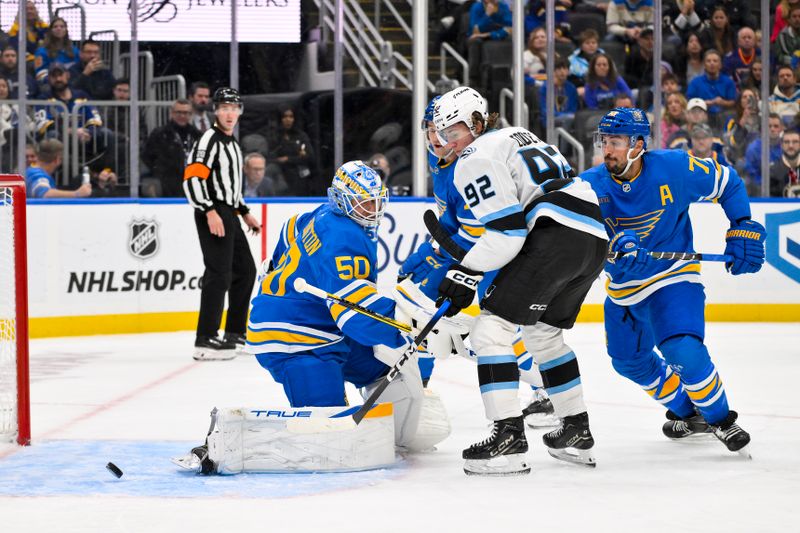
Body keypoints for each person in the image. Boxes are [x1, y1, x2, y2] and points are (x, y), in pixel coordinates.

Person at [432, 86, 608, 474]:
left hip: (556, 233)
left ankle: (507, 438)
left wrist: (463, 273)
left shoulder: (474, 156)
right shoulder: (518, 136)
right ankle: (576, 430)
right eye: (440, 132)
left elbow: (507, 233)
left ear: (477, 124)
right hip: (593, 237)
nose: (446, 140)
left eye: (454, 130)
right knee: (543, 336)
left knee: (489, 333)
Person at [580, 107, 763, 457]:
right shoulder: (589, 187)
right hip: (623, 291)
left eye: (615, 142)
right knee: (627, 361)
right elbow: (574, 241)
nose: (607, 150)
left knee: (682, 349)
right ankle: (688, 413)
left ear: (638, 144)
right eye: (604, 141)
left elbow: (728, 182)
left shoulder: (675, 167)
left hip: (673, 276)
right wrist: (608, 248)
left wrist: (741, 224)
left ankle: (721, 419)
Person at [246, 160, 436, 450]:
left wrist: (274, 275)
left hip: (324, 327)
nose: (372, 210)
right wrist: (408, 327)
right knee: (330, 439)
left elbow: (288, 232)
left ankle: (399, 425)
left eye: (375, 202)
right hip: (295, 339)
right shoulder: (344, 237)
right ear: (341, 199)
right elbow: (355, 313)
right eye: (362, 203)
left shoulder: (320, 214)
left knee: (392, 364)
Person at [399, 95, 557, 427]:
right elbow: (454, 219)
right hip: (477, 250)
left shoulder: (467, 162)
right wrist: (434, 246)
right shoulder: (443, 162)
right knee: (426, 312)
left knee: (489, 331)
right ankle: (419, 388)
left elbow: (480, 229)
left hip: (496, 252)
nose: (435, 139)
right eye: (430, 130)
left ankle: (550, 388)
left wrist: (442, 252)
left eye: (441, 131)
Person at [183, 87, 260, 361]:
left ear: (239, 112)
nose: (229, 113)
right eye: (224, 107)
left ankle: (235, 333)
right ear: (216, 110)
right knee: (219, 273)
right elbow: (192, 179)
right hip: (213, 213)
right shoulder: (208, 140)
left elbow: (230, 186)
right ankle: (205, 339)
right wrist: (209, 211)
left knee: (246, 271)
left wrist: (244, 211)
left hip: (229, 212)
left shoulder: (233, 144)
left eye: (234, 108)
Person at [143, 99, 201, 197]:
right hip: (167, 186)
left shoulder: (197, 135)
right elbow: (147, 157)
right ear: (172, 113)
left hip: (193, 186)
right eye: (179, 112)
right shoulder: (160, 134)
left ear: (191, 114)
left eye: (186, 113)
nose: (182, 116)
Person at [268, 106, 315, 196]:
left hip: (299, 179)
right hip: (279, 177)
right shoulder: (274, 136)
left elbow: (310, 157)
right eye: (285, 117)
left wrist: (288, 159)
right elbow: (270, 157)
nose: (288, 119)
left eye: (291, 116)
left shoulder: (301, 136)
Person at [25, 139, 91, 199]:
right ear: (57, 159)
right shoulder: (37, 174)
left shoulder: (31, 171)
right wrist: (77, 194)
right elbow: (45, 194)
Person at [686, 49, 736, 118]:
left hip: (724, 115)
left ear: (720, 65)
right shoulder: (695, 82)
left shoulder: (729, 82)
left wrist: (723, 102)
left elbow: (733, 102)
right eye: (708, 61)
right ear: (704, 65)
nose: (712, 63)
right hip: (701, 116)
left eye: (715, 61)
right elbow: (689, 102)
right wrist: (702, 103)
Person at [33, 17, 79, 87]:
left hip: (72, 84)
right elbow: (40, 74)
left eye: (62, 26)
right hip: (51, 85)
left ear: (66, 30)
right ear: (50, 31)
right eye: (55, 27)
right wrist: (56, 80)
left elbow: (78, 70)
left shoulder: (75, 51)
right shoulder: (41, 52)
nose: (59, 28)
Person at [744, 114, 785, 191]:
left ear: (781, 128)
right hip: (760, 190)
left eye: (776, 126)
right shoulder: (753, 148)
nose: (772, 129)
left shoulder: (787, 146)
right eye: (769, 126)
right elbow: (751, 174)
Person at [7, 1, 48, 67]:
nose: (29, 11)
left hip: (44, 59)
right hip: (26, 64)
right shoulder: (15, 30)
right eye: (26, 9)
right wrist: (35, 59)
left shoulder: (43, 27)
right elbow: (18, 50)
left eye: (31, 9)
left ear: (36, 11)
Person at [567, 29, 603, 95]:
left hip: (602, 87)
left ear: (597, 45)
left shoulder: (605, 58)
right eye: (587, 43)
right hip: (582, 88)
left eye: (593, 43)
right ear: (581, 46)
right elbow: (572, 79)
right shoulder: (572, 59)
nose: (591, 45)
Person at [769, 128, 800, 197]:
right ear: (781, 145)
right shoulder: (772, 171)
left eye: (795, 142)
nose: (790, 146)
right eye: (786, 142)